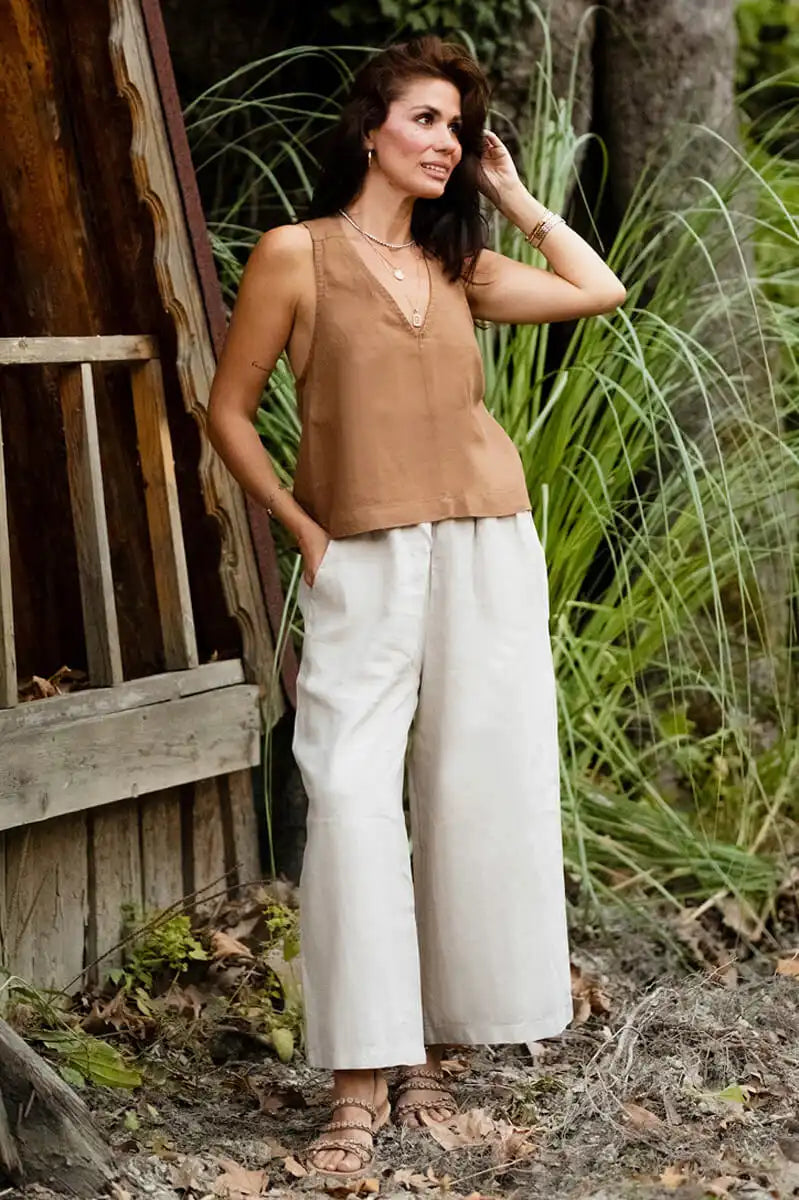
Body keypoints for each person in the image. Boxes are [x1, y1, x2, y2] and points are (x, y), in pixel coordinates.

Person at [207, 34, 626, 1179]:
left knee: (468, 791)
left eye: (457, 125)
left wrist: (514, 193)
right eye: (428, 121)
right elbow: (229, 412)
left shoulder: (461, 267)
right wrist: (301, 530)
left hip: (488, 542)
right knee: (346, 793)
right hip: (359, 553)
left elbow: (600, 289)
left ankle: (427, 1065)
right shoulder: (294, 255)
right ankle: (355, 1080)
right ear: (371, 129)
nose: (445, 142)